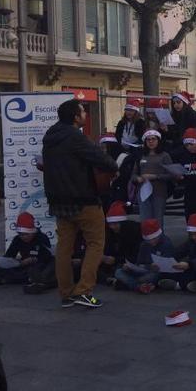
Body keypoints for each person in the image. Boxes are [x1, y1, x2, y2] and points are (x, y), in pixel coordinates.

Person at [42, 98, 118, 308]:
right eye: (83, 112)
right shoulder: (75, 136)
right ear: (76, 117)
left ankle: (66, 293)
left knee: (64, 248)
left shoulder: (50, 136)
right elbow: (102, 160)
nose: (85, 115)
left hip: (58, 201)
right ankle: (84, 291)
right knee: (95, 244)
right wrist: (113, 166)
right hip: (83, 199)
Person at [0, 213, 55, 293]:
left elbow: (48, 256)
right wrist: (20, 263)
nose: (24, 237)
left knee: (42, 269)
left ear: (33, 232)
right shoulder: (17, 239)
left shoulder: (41, 238)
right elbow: (9, 256)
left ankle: (7, 279)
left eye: (26, 234)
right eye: (21, 234)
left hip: (39, 265)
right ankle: (26, 280)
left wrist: (34, 259)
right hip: (24, 266)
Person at [157, 213, 196, 293]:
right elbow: (178, 251)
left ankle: (180, 285)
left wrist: (190, 264)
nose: (194, 237)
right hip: (192, 266)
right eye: (191, 234)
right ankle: (189, 284)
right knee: (171, 271)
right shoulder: (191, 242)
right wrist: (164, 261)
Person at [112, 219, 174, 294]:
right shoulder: (144, 244)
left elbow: (168, 265)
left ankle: (128, 284)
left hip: (155, 272)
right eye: (149, 240)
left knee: (150, 277)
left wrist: (155, 266)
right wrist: (130, 267)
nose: (151, 242)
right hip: (142, 270)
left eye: (154, 239)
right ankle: (139, 286)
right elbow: (140, 261)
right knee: (118, 272)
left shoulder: (166, 244)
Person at [131, 129, 173, 226]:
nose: (151, 141)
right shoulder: (141, 155)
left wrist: (154, 176)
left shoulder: (165, 156)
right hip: (143, 193)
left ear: (158, 141)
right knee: (145, 221)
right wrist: (137, 178)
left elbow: (171, 174)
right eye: (148, 140)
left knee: (158, 221)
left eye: (153, 139)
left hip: (159, 193)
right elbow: (133, 174)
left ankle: (160, 240)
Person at [101, 201, 141, 283]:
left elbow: (135, 256)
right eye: (111, 224)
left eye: (115, 224)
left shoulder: (134, 232)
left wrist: (116, 260)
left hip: (131, 263)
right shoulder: (110, 234)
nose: (112, 227)